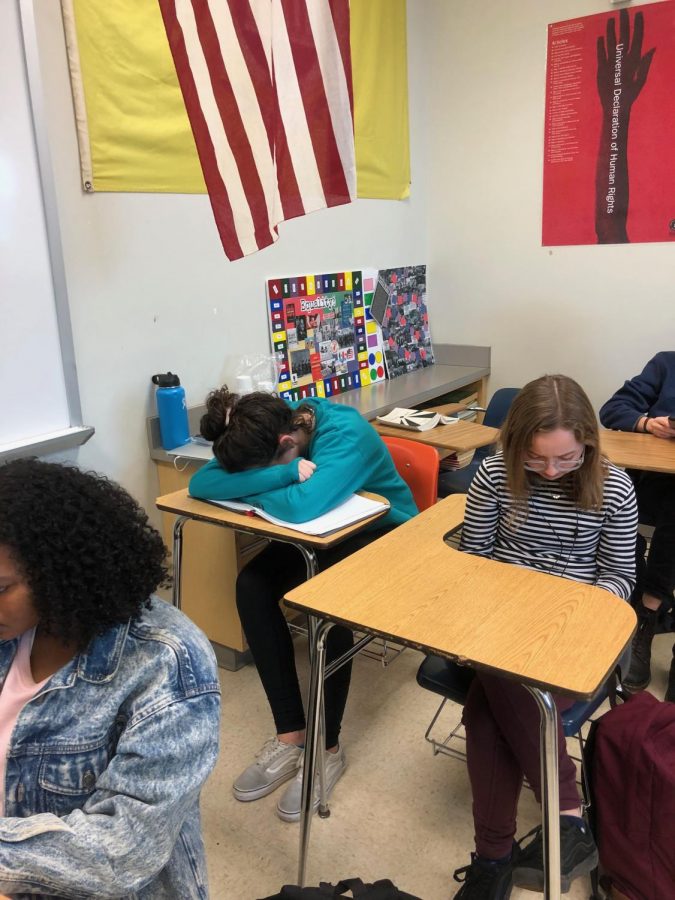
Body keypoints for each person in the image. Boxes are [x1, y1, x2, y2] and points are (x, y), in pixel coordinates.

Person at [189, 387, 417, 822]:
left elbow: (301, 509)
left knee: (323, 605)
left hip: (387, 536)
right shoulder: (256, 428)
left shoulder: (344, 432)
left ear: (287, 442)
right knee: (252, 587)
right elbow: (202, 483)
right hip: (322, 535)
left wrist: (244, 490)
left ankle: (326, 749)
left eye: (276, 463)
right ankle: (292, 735)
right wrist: (283, 475)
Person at [452, 375, 637, 900]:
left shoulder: (615, 487)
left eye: (566, 459)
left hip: (576, 636)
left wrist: (563, 619)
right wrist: (508, 612)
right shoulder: (493, 473)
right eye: (536, 460)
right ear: (515, 447)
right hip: (499, 628)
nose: (552, 472)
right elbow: (475, 561)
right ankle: (569, 820)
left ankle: (493, 860)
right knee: (501, 677)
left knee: (486, 713)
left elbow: (619, 580)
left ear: (588, 446)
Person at [0, 459, 220, 899]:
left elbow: (124, 847)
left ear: (57, 571)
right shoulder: (13, 628)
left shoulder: (165, 662)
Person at [599, 351, 675, 700]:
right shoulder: (666, 364)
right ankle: (647, 604)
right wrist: (647, 423)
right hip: (651, 484)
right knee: (613, 499)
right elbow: (613, 409)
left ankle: (650, 606)